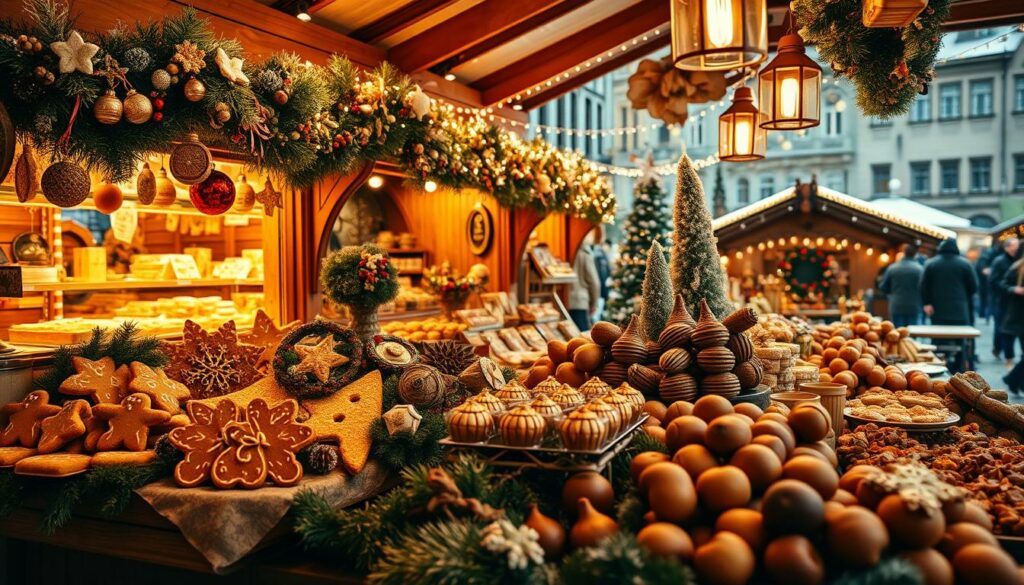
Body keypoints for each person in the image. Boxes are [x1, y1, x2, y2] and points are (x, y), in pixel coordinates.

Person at [921, 238, 978, 326]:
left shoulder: (931, 263)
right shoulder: (965, 264)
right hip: (959, 309)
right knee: (959, 336)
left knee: (938, 336)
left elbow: (923, 286)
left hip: (937, 308)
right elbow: (974, 286)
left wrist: (927, 303)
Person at [988, 238, 1020, 367]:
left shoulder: (1018, 261)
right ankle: (998, 349)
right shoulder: (999, 261)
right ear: (1007, 247)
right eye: (1014, 246)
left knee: (1009, 329)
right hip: (1001, 300)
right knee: (1000, 327)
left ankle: (1008, 353)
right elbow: (993, 281)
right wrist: (1007, 289)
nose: (1017, 249)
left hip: (1015, 302)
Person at [880, 244, 924, 328]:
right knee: (913, 335)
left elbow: (883, 287)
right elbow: (924, 289)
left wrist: (893, 293)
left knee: (898, 335)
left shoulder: (892, 268)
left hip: (896, 305)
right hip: (914, 306)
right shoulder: (920, 269)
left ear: (904, 253)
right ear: (915, 254)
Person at [997, 256, 1024, 393]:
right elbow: (1003, 284)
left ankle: (1014, 380)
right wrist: (1014, 289)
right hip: (1017, 314)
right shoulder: (1017, 267)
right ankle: (1014, 380)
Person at [568, 243, 601, 332]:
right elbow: (594, 282)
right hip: (579, 301)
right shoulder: (584, 253)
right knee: (583, 337)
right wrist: (594, 304)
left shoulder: (562, 251)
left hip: (561, 300)